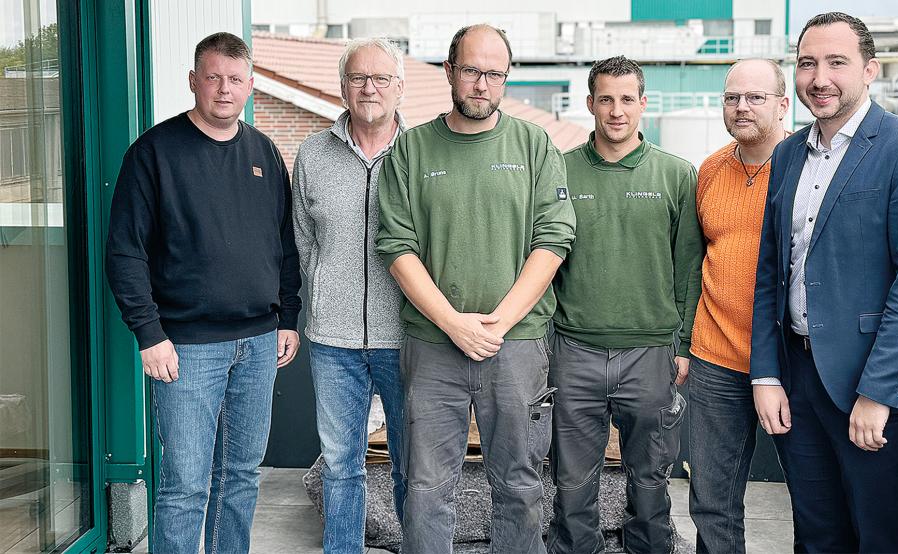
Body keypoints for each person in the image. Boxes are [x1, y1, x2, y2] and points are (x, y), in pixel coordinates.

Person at [750, 12, 898, 553]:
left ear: (870, 70)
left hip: (870, 386)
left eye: (836, 63)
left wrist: (877, 393)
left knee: (880, 537)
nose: (820, 78)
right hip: (798, 380)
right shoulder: (790, 153)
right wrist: (767, 373)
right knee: (816, 536)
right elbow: (773, 269)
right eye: (807, 64)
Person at [375, 24, 576, 554]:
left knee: (518, 485)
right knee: (426, 487)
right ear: (448, 70)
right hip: (433, 346)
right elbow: (397, 248)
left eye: (494, 74)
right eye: (471, 71)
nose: (481, 84)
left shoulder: (533, 145)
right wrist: (453, 324)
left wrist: (498, 324)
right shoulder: (411, 150)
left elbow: (553, 241)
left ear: (506, 78)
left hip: (517, 345)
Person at [105, 32, 301, 553]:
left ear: (251, 86)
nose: (223, 89)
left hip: (259, 343)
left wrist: (287, 318)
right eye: (213, 77)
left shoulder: (264, 152)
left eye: (235, 79)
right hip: (186, 347)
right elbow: (125, 253)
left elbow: (284, 244)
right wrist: (149, 335)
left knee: (240, 476)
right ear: (193, 81)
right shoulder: (154, 153)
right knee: (186, 485)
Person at [546, 55, 702, 554]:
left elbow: (689, 269)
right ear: (590, 103)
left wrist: (683, 346)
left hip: (650, 354)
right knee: (571, 480)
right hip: (575, 351)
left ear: (643, 104)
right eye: (606, 99)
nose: (617, 111)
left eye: (627, 99)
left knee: (651, 480)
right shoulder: (560, 170)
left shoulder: (677, 174)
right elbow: (544, 260)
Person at [292, 38, 407, 553]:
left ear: (399, 87)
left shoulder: (421, 152)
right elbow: (302, 237)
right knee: (342, 463)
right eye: (359, 78)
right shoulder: (313, 153)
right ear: (342, 87)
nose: (369, 88)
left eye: (381, 78)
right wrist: (320, 288)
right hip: (332, 337)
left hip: (407, 335)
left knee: (413, 462)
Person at [687, 58, 789, 554]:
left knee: (815, 499)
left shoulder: (806, 168)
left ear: (784, 104)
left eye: (755, 98)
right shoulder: (709, 171)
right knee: (711, 502)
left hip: (792, 363)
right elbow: (693, 261)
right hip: (714, 358)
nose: (741, 107)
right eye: (732, 98)